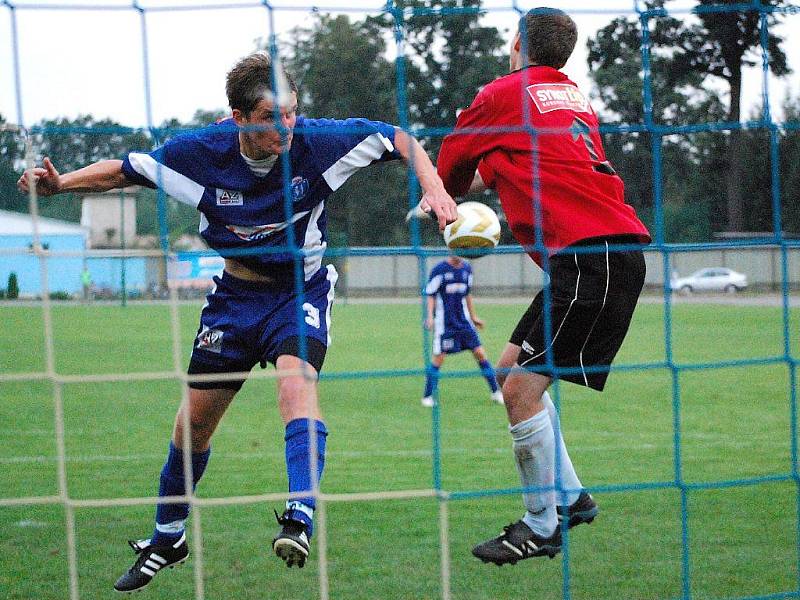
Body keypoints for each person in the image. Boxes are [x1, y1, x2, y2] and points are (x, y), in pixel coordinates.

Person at [18, 52, 457, 591]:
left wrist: (433, 187)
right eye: (275, 117)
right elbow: (126, 170)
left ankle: (300, 513)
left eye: (293, 113)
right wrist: (61, 186)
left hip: (300, 290)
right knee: (193, 425)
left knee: (295, 386)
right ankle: (168, 536)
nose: (288, 127)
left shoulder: (320, 143)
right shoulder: (198, 154)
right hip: (233, 301)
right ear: (240, 118)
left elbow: (401, 139)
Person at [435, 8, 651, 566]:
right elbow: (525, 160)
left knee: (519, 393)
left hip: (590, 258)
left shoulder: (505, 92)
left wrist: (447, 207)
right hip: (595, 254)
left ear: (515, 42)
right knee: (510, 371)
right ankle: (572, 498)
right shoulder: (573, 98)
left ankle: (540, 525)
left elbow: (454, 159)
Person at [421, 254, 503, 407]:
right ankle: (427, 396)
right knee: (439, 358)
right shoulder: (439, 270)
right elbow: (430, 294)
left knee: (480, 353)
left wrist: (473, 317)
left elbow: (467, 294)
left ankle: (496, 392)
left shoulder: (467, 269)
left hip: (464, 323)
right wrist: (430, 317)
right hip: (445, 324)